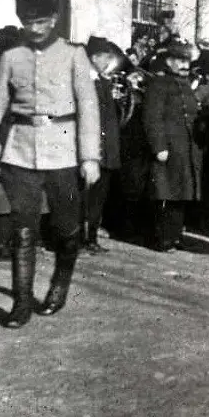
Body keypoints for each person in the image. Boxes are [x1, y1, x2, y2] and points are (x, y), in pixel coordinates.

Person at [0, 0, 100, 328]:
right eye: (27, 22)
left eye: (40, 21)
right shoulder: (11, 57)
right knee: (23, 229)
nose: (34, 28)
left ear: (53, 20)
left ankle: (59, 286)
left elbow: (89, 108)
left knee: (66, 228)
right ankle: (21, 302)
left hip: (64, 151)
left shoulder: (73, 55)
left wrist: (90, 157)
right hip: (20, 150)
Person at [143, 41, 204, 252]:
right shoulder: (159, 84)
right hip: (168, 147)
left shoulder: (186, 84)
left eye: (187, 60)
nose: (185, 65)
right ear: (169, 62)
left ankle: (175, 234)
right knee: (165, 194)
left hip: (185, 147)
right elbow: (152, 117)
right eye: (180, 60)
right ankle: (162, 237)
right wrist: (158, 146)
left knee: (181, 193)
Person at [84, 35, 126, 253]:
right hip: (94, 148)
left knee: (98, 198)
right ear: (94, 57)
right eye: (105, 58)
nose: (108, 62)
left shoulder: (103, 80)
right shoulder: (86, 80)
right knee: (88, 197)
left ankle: (91, 237)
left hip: (107, 149)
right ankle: (83, 239)